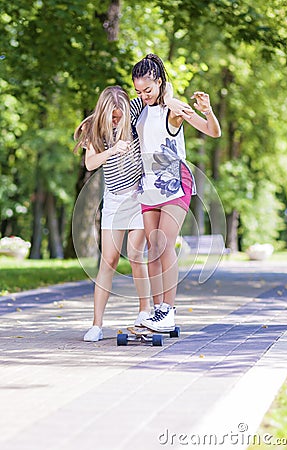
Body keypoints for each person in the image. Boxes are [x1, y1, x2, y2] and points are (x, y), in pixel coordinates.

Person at [131, 53, 221, 332]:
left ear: (159, 82)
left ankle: (169, 310)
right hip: (148, 185)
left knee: (163, 245)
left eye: (148, 89)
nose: (143, 95)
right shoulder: (140, 108)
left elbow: (213, 132)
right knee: (151, 252)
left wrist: (206, 109)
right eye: (138, 91)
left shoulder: (174, 108)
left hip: (174, 182)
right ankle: (156, 310)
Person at [74, 86, 151, 341]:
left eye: (120, 116)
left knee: (137, 254)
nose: (117, 121)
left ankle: (144, 312)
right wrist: (113, 150)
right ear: (105, 112)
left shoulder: (134, 109)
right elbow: (90, 163)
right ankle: (96, 325)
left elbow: (160, 91)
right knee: (109, 260)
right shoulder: (94, 129)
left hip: (140, 196)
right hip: (115, 201)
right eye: (113, 117)